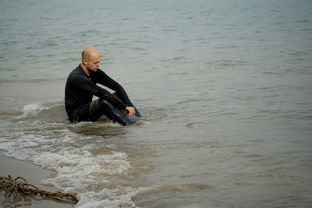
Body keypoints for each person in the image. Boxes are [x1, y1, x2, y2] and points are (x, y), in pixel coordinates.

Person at [65, 47, 141, 125]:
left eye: (99, 62)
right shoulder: (77, 77)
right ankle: (129, 124)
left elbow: (116, 86)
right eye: (95, 63)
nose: (98, 65)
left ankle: (140, 119)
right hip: (76, 116)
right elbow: (101, 93)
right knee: (103, 102)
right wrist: (124, 107)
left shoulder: (94, 72)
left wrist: (128, 105)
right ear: (85, 61)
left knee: (118, 95)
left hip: (88, 111)